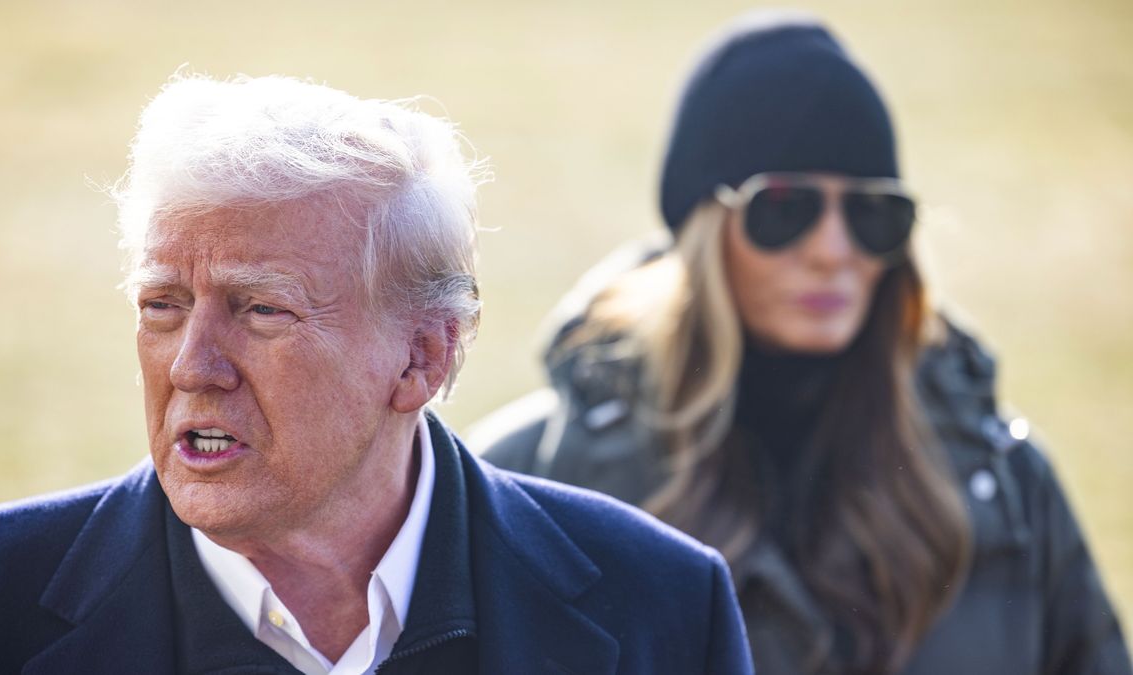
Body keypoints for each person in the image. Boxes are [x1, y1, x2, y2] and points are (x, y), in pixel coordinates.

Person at [0, 75, 753, 674]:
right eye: (163, 305)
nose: (192, 364)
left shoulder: (666, 609)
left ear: (422, 357)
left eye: (260, 309)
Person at [473, 11, 1131, 675]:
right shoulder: (527, 483)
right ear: (706, 230)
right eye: (786, 208)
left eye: (873, 213)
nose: (833, 251)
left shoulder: (1007, 482)